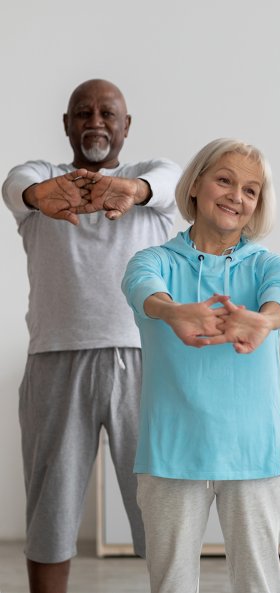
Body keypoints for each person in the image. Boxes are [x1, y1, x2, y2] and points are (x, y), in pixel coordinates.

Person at [1, 78, 180, 593]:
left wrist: (133, 191)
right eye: (83, 112)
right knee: (51, 507)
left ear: (127, 126)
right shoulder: (41, 183)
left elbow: (170, 181)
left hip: (144, 363)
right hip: (56, 360)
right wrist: (39, 196)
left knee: (160, 504)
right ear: (66, 124)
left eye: (107, 113)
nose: (95, 121)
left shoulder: (149, 182)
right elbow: (14, 184)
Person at [122, 138, 280, 593]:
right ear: (197, 184)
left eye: (250, 190)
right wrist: (174, 311)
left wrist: (263, 321)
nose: (235, 197)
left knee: (259, 583)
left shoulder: (267, 265)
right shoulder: (155, 259)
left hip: (253, 453)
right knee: (171, 585)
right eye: (224, 180)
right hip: (172, 452)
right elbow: (142, 286)